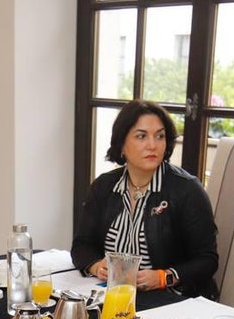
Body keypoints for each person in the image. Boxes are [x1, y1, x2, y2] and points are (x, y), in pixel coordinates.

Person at [72, 100, 219, 297]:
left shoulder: (187, 190)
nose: (152, 145)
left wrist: (163, 277)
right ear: (122, 144)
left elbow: (207, 260)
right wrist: (97, 266)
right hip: (114, 294)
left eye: (160, 136)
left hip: (172, 298)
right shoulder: (104, 186)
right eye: (141, 136)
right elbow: (82, 245)